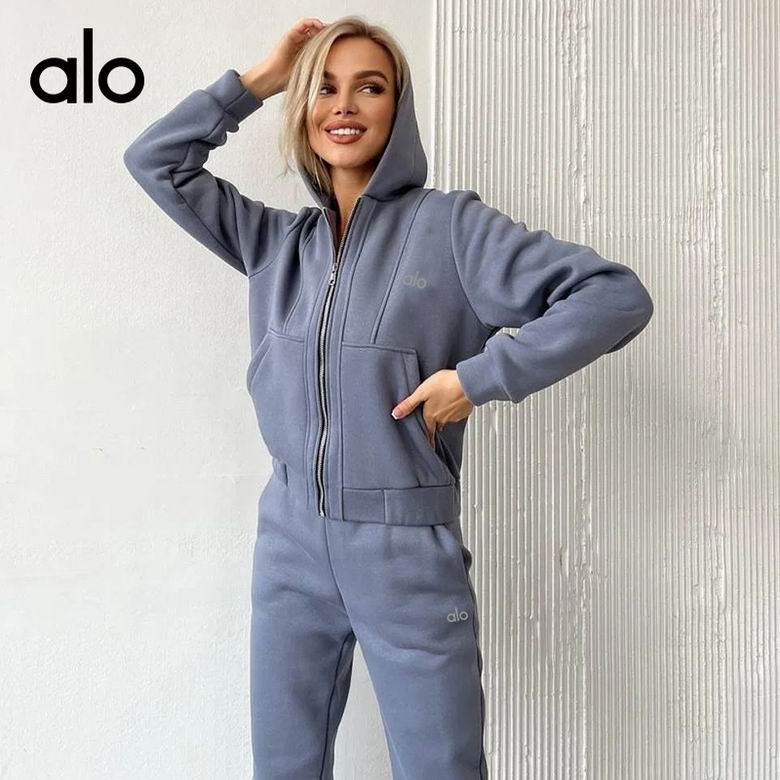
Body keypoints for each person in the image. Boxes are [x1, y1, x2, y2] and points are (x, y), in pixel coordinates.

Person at [122, 14, 654, 780]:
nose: (344, 104)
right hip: (290, 545)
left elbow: (613, 296)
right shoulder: (276, 245)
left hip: (405, 553)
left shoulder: (453, 228)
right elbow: (155, 161)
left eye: (368, 87)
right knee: (283, 769)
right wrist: (262, 80)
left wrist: (479, 378)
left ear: (397, 108)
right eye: (325, 88)